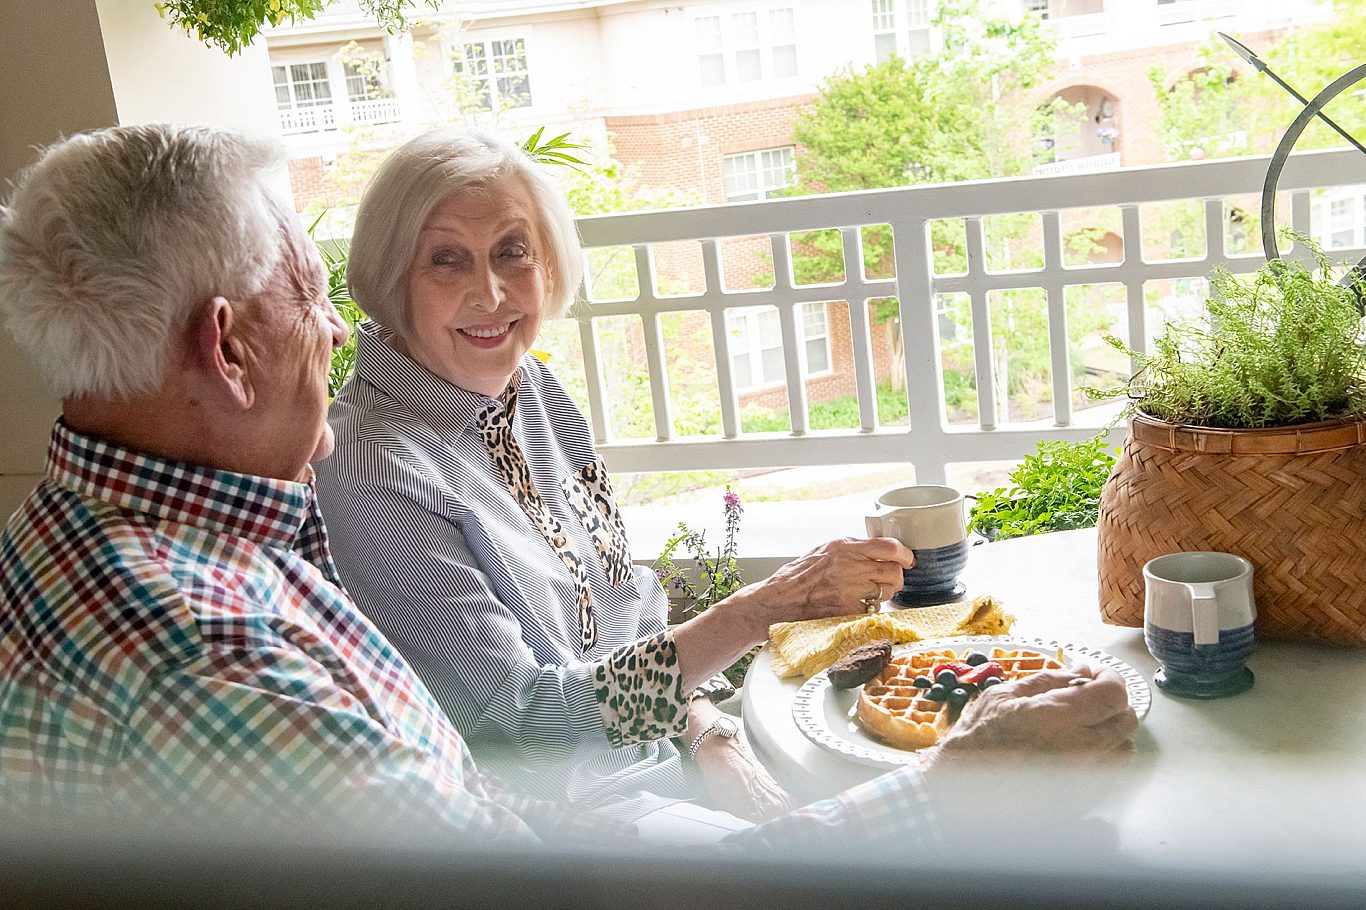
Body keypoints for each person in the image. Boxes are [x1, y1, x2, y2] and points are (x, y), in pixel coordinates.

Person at [0, 124, 1136, 852]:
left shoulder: (139, 532)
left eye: (514, 251)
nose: (334, 324)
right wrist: (949, 793)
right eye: (307, 287)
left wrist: (711, 740)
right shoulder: (226, 646)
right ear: (229, 348)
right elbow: (515, 824)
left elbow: (522, 755)